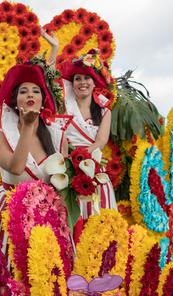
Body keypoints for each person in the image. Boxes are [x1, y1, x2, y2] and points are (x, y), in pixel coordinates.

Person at [0, 60, 69, 248]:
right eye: (23, 91)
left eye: (36, 91)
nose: (30, 94)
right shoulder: (0, 137)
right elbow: (16, 167)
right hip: (10, 215)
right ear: (14, 102)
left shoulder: (57, 137)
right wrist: (28, 126)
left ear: (43, 100)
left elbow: (63, 185)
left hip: (49, 217)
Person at [58, 48, 116, 215]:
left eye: (86, 78)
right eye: (78, 79)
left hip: (94, 170)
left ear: (94, 82)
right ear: (72, 83)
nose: (82, 82)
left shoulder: (104, 111)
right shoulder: (64, 105)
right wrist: (69, 161)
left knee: (98, 221)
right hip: (67, 168)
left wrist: (80, 158)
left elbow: (100, 142)